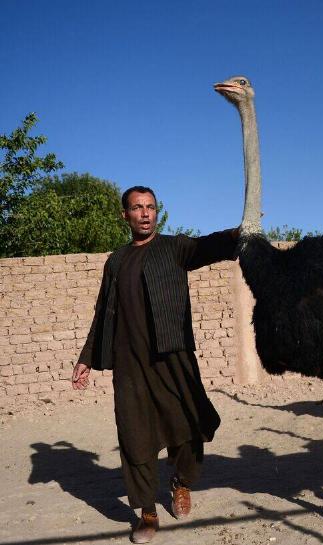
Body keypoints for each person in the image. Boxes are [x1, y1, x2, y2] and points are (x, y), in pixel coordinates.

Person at [71, 186, 239, 543]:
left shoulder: (174, 247)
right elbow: (104, 311)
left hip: (173, 356)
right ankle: (147, 511)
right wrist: (87, 357)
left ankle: (182, 482)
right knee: (135, 435)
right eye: (137, 208)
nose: (145, 213)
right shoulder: (116, 261)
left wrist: (239, 233)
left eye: (150, 207)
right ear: (125, 215)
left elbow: (207, 247)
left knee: (190, 424)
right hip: (130, 364)